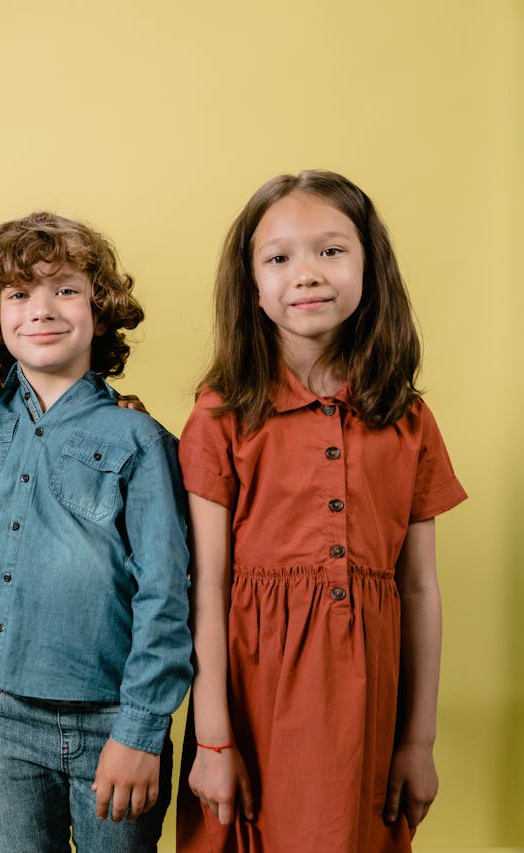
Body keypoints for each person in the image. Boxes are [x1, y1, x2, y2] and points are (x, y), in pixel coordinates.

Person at [176, 170, 467, 852]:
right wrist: (214, 737)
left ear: (372, 265)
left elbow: (419, 586)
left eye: (331, 250)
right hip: (253, 705)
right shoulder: (220, 416)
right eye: (278, 257)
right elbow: (207, 585)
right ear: (251, 284)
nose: (306, 273)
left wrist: (418, 741)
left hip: (366, 711)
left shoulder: (408, 418)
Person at [0, 211, 191, 851]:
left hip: (112, 723)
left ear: (99, 308)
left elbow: (166, 592)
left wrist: (141, 730)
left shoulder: (137, 438)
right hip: (2, 716)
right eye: (19, 294)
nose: (42, 309)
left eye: (65, 290)